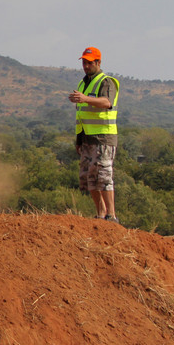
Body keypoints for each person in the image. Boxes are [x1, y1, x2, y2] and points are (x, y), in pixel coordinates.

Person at [68, 46, 121, 223]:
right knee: (89, 177)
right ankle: (100, 214)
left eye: (89, 62)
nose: (85, 66)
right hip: (87, 139)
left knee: (104, 175)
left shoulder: (107, 82)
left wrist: (85, 98)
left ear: (98, 62)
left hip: (103, 138)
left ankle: (111, 215)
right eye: (84, 62)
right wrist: (79, 140)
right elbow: (81, 113)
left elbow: (107, 102)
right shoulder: (83, 83)